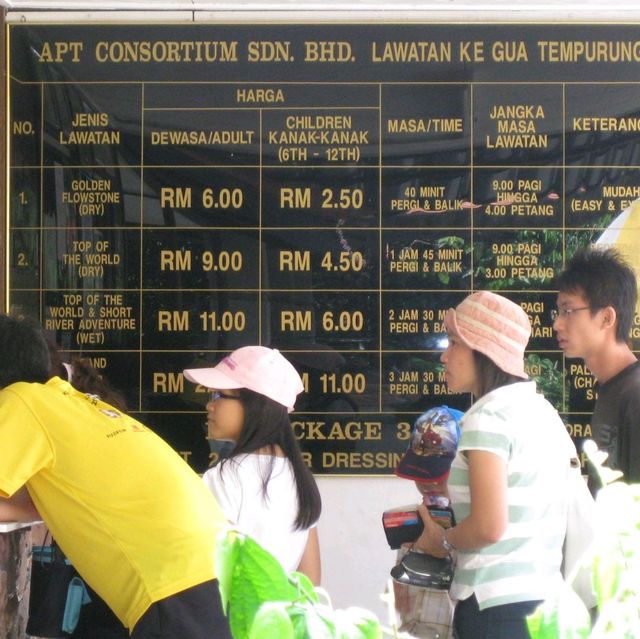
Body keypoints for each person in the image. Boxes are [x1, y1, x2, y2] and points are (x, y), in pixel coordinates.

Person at [0, 314, 232, 639]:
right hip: (214, 572)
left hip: (173, 586)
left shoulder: (21, 400)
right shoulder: (72, 403)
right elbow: (52, 504)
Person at [412, 291, 577, 639]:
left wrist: (441, 540)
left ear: (482, 350)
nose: (444, 356)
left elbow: (489, 527)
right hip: (546, 607)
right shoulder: (542, 412)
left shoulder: (488, 416)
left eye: (454, 342)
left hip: (495, 611)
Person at [183, 345, 322, 584]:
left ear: (254, 405)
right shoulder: (300, 479)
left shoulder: (224, 478)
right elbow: (311, 582)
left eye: (218, 395)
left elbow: (208, 575)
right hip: (280, 621)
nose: (209, 405)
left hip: (233, 620)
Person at [553, 245, 640, 483]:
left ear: (607, 317)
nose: (557, 324)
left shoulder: (635, 394)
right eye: (558, 312)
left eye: (568, 310)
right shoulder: (612, 388)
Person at [391, 405, 463, 639]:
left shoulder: (476, 527)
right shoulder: (415, 522)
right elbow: (402, 606)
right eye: (420, 474)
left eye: (436, 474)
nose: (427, 483)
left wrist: (445, 545)